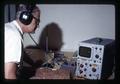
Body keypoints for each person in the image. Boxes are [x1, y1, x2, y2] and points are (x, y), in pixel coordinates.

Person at [4, 4, 40, 79]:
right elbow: (8, 75)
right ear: (26, 18)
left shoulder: (9, 28)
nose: (38, 25)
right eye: (37, 21)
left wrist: (32, 63)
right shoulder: (14, 36)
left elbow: (17, 53)